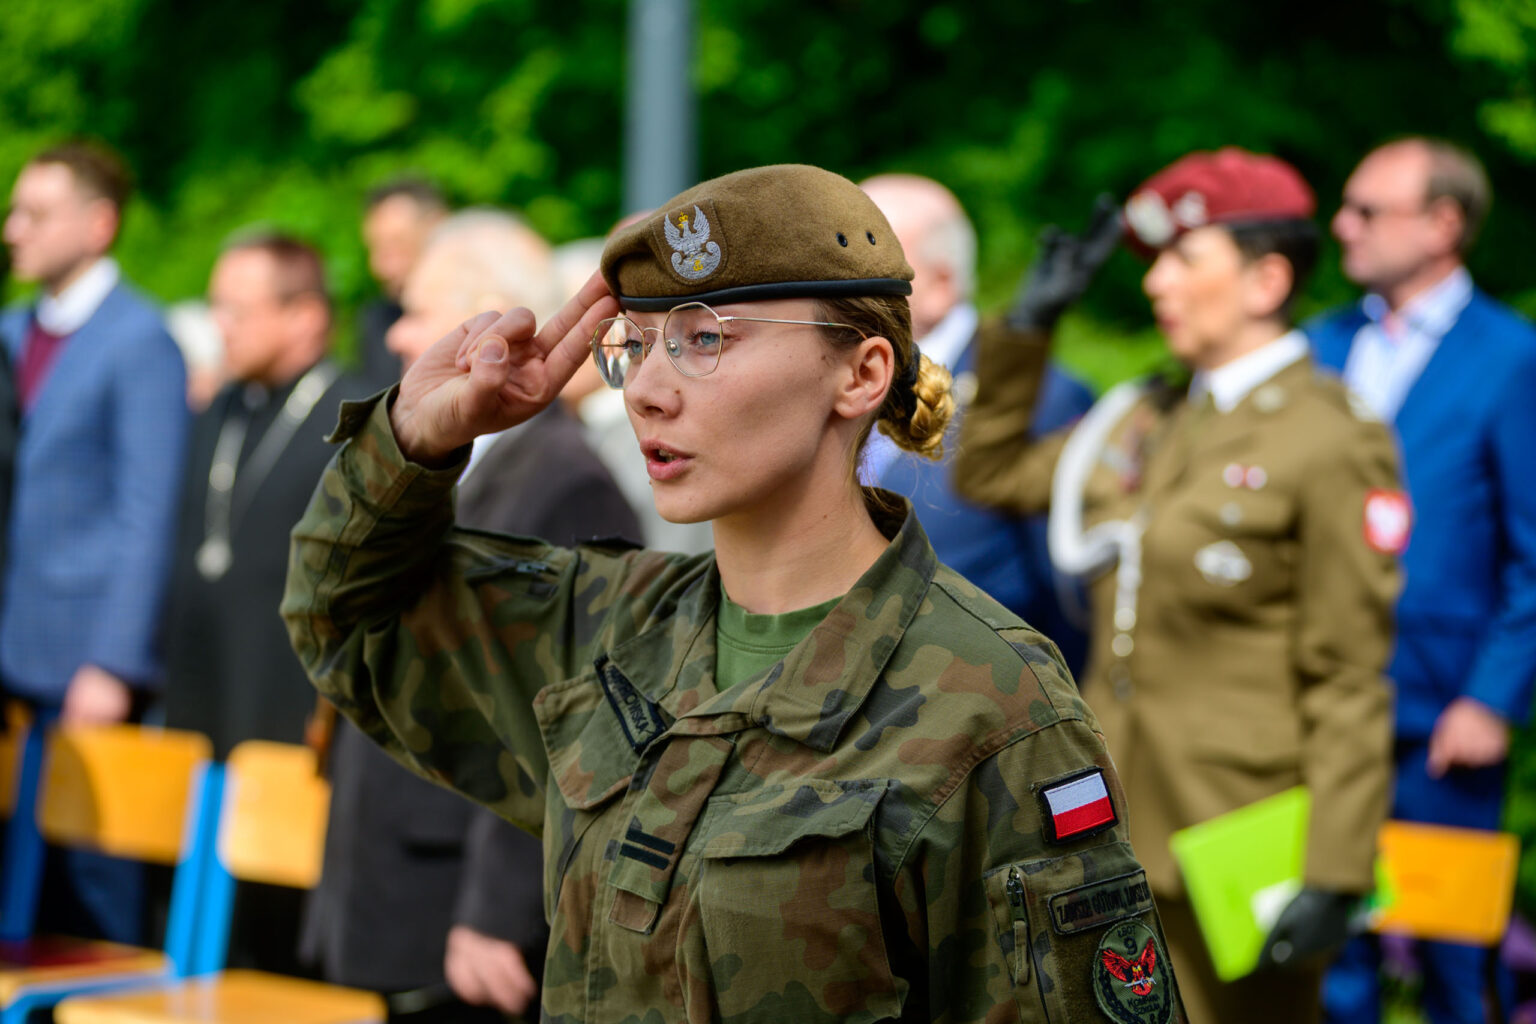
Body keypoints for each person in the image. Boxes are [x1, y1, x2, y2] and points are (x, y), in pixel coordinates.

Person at [284, 164, 1186, 1023]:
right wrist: (414, 439)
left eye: (704, 339)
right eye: (634, 347)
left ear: (862, 373)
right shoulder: (603, 629)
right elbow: (344, 617)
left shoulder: (993, 707)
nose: (646, 389)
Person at [954, 149, 1401, 1023]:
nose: (1157, 283)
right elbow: (992, 471)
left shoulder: (1331, 437)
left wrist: (1338, 870)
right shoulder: (1149, 416)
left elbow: (1349, 673)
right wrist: (1027, 333)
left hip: (1244, 832)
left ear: (1267, 279)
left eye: (1185, 259)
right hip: (1112, 823)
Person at [304, 209, 640, 1023]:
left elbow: (568, 721)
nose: (396, 335)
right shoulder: (439, 463)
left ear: (483, 326)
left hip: (458, 897)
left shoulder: (564, 483)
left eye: (417, 311)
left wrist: (496, 913)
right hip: (395, 868)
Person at [1308, 137, 1536, 1024]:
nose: (1343, 225)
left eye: (1368, 210)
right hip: (1324, 712)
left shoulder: (1511, 356)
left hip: (1443, 724)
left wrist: (1491, 698)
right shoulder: (1321, 344)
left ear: (1445, 224)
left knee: (1450, 966)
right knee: (1329, 956)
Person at [0, 141, 188, 943]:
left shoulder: (140, 340)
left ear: (99, 223)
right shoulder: (10, 332)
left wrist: (113, 663)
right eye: (13, 210)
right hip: (11, 658)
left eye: (35, 213)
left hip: (83, 668)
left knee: (90, 901)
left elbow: (150, 511)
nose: (13, 230)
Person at [158, 231, 360, 972]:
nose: (222, 326)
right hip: (200, 704)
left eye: (238, 309)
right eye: (217, 308)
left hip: (285, 710)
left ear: (305, 315)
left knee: (273, 943)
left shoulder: (351, 416)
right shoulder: (220, 411)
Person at [860, 173, 1093, 671]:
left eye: (866, 261)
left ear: (940, 283)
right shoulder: (839, 386)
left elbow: (1070, 595)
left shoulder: (1042, 395)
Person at [553, 236, 714, 555]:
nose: (637, 392)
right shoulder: (625, 594)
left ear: (847, 376)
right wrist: (430, 448)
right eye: (635, 345)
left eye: (707, 338)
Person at [358, 178, 449, 387]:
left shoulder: (487, 311)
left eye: (395, 246)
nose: (379, 268)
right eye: (374, 249)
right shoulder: (377, 322)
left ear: (439, 228)